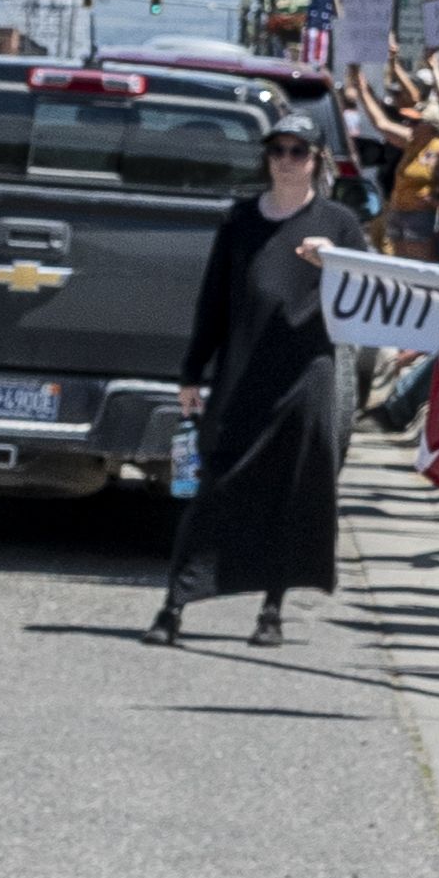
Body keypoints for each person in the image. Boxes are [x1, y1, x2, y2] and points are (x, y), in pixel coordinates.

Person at [154, 111, 349, 649]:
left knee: (291, 493)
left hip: (306, 377)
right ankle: (174, 606)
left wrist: (339, 264)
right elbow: (212, 301)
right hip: (242, 374)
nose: (286, 161)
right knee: (216, 487)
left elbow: (373, 296)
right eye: (278, 150)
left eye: (298, 151)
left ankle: (272, 610)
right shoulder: (239, 220)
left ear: (317, 160)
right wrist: (192, 371)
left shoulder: (337, 224)